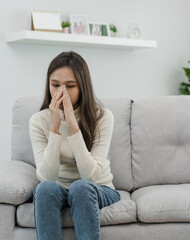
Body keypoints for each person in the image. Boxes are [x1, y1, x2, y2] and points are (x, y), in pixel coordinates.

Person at [30, 51, 120, 240]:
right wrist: (55, 128)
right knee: (44, 189)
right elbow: (46, 177)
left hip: (99, 188)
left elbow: (90, 176)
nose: (61, 92)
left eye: (70, 86)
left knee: (81, 187)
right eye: (55, 85)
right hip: (58, 188)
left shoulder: (103, 117)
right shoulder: (39, 121)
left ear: (83, 87)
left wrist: (72, 125)